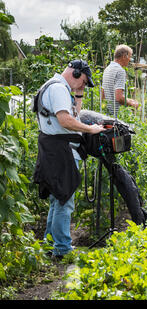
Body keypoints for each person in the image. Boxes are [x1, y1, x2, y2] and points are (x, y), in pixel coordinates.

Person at [33, 60, 105, 259]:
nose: (83, 85)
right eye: (83, 81)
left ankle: (50, 245)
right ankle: (63, 250)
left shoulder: (56, 87)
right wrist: (91, 129)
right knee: (65, 201)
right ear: (75, 73)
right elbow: (65, 120)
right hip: (61, 152)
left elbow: (75, 115)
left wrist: (78, 96)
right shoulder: (58, 89)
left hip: (55, 150)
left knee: (58, 200)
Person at [102, 44, 139, 117]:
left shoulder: (107, 69)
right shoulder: (120, 71)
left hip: (106, 114)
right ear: (124, 56)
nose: (130, 60)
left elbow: (103, 95)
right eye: (130, 57)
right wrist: (132, 104)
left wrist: (129, 100)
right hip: (116, 116)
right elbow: (119, 97)